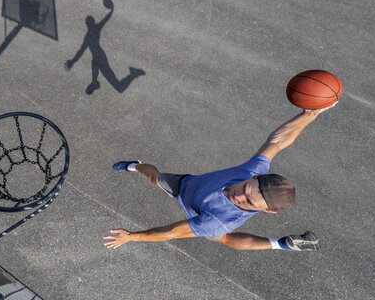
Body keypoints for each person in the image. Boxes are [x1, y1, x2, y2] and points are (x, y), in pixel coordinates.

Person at [104, 104, 336, 251]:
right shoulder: (251, 170)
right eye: (245, 188)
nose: (237, 196)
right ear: (254, 177)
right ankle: (135, 166)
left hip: (199, 210)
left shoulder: (218, 221)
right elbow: (277, 141)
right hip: (188, 184)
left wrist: (131, 237)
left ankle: (280, 244)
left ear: (267, 211)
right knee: (153, 177)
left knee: (224, 238)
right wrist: (309, 114)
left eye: (248, 202)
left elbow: (170, 232)